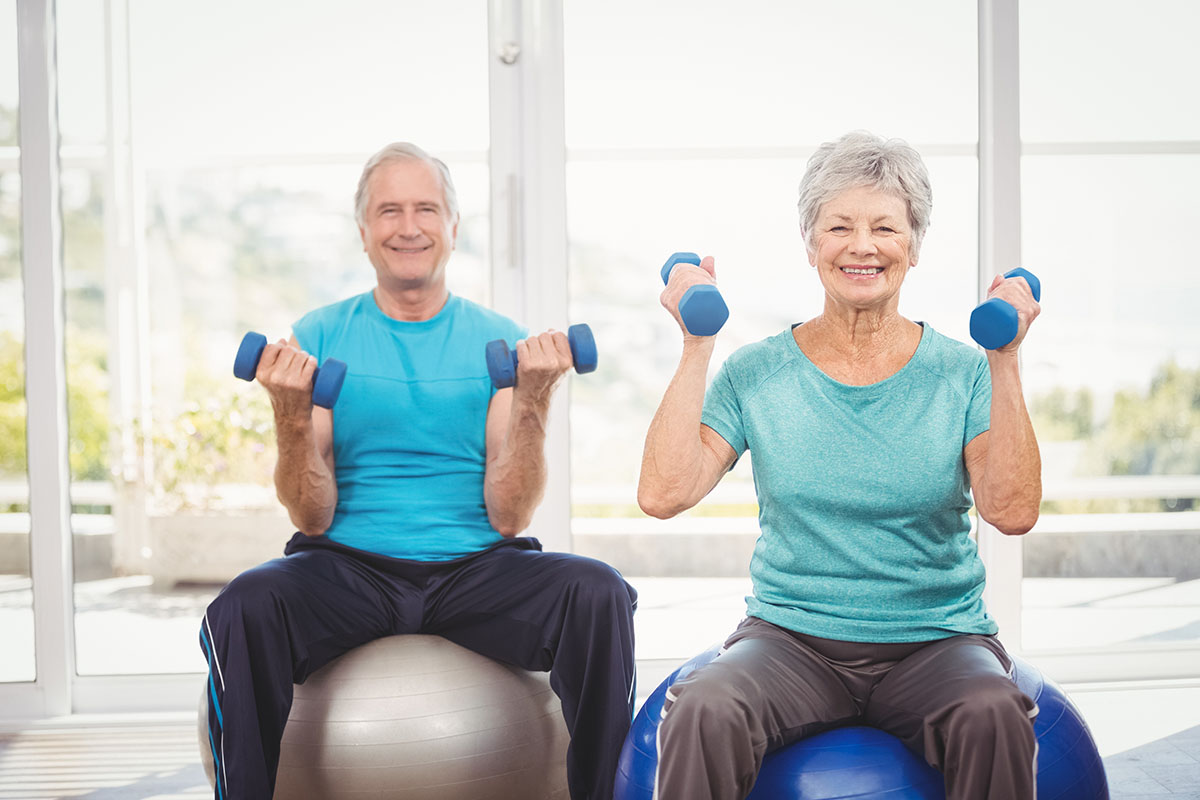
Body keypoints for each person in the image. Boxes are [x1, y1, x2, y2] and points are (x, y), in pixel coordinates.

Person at [199, 142, 637, 800]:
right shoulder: (319, 334)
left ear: (454, 227)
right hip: (346, 566)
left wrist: (536, 398)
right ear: (363, 231)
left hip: (477, 571)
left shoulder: (500, 341)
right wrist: (290, 412)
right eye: (389, 210)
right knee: (242, 606)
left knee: (598, 592)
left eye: (426, 208)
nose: (409, 227)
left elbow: (510, 515)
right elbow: (309, 514)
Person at [638, 130, 1042, 800]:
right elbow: (663, 492)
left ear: (912, 247)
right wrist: (696, 346)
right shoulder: (757, 372)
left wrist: (1005, 360)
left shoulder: (962, 373)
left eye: (886, 227)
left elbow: (1012, 510)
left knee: (990, 712)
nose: (862, 246)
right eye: (839, 227)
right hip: (791, 643)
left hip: (935, 643)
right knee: (707, 706)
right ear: (809, 241)